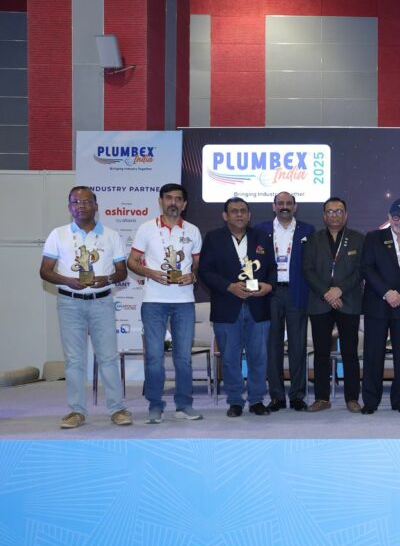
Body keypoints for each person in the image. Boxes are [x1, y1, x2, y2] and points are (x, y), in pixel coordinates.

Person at [40, 186, 133, 429]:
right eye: (75, 202)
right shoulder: (57, 234)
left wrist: (108, 278)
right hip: (69, 302)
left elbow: (122, 271)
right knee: (74, 360)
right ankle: (76, 411)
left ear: (96, 205)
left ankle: (117, 409)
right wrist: (68, 280)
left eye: (86, 201)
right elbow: (45, 271)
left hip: (102, 301)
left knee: (108, 357)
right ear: (69, 207)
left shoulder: (111, 235)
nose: (81, 206)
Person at [127, 182, 203, 424]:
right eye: (168, 198)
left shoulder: (193, 231)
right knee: (154, 357)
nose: (173, 202)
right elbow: (132, 261)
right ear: (160, 201)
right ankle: (155, 405)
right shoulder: (146, 228)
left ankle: (184, 405)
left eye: (178, 199)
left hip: (184, 301)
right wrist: (149, 272)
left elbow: (197, 264)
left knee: (183, 358)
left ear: (184, 204)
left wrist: (193, 276)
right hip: (154, 301)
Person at [198, 197, 275, 417]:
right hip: (226, 306)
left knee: (258, 357)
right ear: (225, 215)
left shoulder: (262, 237)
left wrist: (269, 286)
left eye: (243, 211)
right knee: (230, 358)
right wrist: (229, 287)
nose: (239, 214)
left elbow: (271, 267)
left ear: (249, 215)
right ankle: (235, 401)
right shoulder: (213, 238)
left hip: (258, 306)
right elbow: (205, 271)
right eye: (234, 211)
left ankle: (257, 399)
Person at [360, 198, 400, 414]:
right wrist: (387, 293)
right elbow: (367, 268)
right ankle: (371, 401)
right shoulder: (373, 237)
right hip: (378, 304)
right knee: (373, 354)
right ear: (389, 217)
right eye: (396, 216)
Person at [302, 197, 365, 413]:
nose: (334, 215)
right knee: (321, 353)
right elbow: (307, 270)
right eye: (330, 211)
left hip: (348, 301)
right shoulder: (313, 239)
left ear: (346, 215)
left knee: (350, 353)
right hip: (320, 302)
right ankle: (321, 398)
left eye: (339, 211)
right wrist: (326, 293)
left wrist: (340, 290)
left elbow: (361, 270)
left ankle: (352, 398)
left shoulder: (358, 239)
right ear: (324, 216)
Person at [255, 191, 315, 412]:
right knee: (273, 347)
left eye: (289, 203)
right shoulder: (261, 230)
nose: (284, 206)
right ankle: (277, 396)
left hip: (297, 292)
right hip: (270, 293)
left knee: (298, 346)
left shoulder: (307, 230)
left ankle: (297, 395)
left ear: (295, 206)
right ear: (273, 206)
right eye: (280, 203)